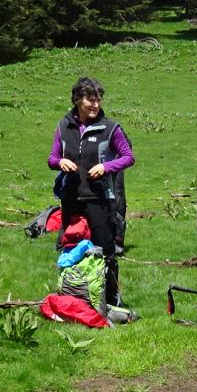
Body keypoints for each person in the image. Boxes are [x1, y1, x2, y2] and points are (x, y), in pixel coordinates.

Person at [49, 76, 135, 310]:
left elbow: (128, 156)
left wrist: (106, 167)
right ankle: (75, 297)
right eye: (90, 100)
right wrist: (61, 162)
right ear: (78, 100)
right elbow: (52, 158)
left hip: (100, 199)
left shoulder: (110, 128)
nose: (95, 105)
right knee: (72, 249)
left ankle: (110, 300)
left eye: (98, 100)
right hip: (71, 198)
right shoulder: (63, 127)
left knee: (104, 249)